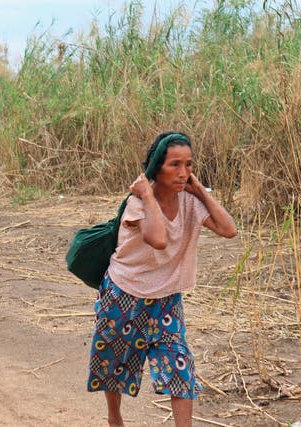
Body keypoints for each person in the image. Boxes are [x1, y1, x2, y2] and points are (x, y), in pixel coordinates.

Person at [87, 131, 237, 427]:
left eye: (189, 165)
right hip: (124, 294)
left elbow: (228, 229)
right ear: (157, 167)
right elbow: (158, 238)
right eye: (175, 165)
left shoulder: (190, 202)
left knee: (180, 368)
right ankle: (114, 418)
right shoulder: (138, 202)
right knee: (114, 365)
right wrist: (145, 193)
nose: (184, 173)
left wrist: (201, 192)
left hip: (166, 301)